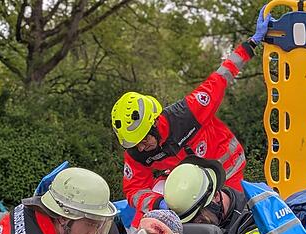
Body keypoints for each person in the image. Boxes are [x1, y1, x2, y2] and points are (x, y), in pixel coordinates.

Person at [110, 6, 272, 216]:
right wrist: (158, 205)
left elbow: (222, 76)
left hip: (228, 168)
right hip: (191, 181)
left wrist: (252, 42)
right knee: (154, 218)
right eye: (136, 144)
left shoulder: (189, 112)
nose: (142, 148)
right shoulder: (135, 150)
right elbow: (134, 189)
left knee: (228, 218)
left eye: (143, 140)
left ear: (155, 123)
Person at [161, 157, 272, 234]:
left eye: (198, 216)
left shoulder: (251, 217)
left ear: (215, 197)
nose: (195, 224)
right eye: (188, 221)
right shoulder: (206, 217)